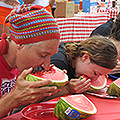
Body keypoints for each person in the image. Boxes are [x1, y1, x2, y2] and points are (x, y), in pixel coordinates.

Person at [0, 4, 60, 118]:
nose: (47, 65)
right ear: (21, 44)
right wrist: (14, 98)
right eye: (43, 55)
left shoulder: (20, 65)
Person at [41, 35, 118, 101]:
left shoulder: (76, 63)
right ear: (85, 57)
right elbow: (37, 97)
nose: (95, 79)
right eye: (95, 73)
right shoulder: (58, 63)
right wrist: (67, 89)